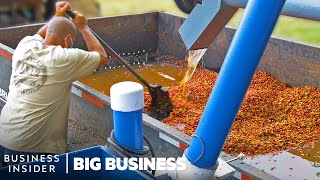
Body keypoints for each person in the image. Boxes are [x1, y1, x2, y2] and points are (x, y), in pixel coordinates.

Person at [0, 1, 108, 167]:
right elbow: (102, 57)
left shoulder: (25, 45)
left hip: (4, 138)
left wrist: (58, 16)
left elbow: (43, 33)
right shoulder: (63, 58)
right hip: (32, 150)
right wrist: (83, 27)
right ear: (67, 39)